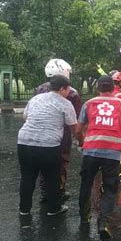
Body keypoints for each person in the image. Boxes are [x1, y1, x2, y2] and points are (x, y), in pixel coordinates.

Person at [76, 75, 121, 239]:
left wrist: (82, 142)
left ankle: (84, 217)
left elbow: (78, 130)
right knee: (109, 188)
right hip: (112, 153)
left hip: (91, 150)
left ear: (98, 88)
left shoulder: (88, 104)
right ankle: (103, 222)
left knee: (86, 184)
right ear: (113, 87)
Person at [18, 75, 77, 217]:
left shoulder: (35, 99)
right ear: (62, 88)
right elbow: (74, 127)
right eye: (68, 89)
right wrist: (80, 140)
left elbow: (25, 117)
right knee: (52, 178)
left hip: (24, 142)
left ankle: (24, 210)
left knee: (27, 177)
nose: (69, 91)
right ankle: (53, 209)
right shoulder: (65, 103)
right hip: (49, 145)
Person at [35, 59, 82, 202]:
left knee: (44, 164)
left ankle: (44, 192)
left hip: (40, 134)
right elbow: (76, 119)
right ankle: (59, 191)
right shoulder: (71, 93)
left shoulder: (40, 89)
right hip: (62, 135)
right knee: (61, 164)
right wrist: (80, 138)